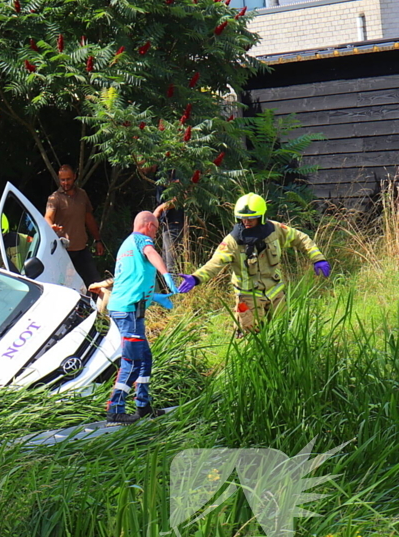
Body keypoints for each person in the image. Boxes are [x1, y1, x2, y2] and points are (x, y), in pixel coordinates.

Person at [176, 193, 330, 333]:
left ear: (261, 217)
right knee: (250, 338)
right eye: (242, 218)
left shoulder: (275, 230)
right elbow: (215, 263)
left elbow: (301, 238)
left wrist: (318, 259)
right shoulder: (233, 241)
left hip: (276, 293)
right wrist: (196, 278)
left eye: (251, 218)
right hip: (248, 298)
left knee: (283, 333)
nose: (246, 222)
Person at [105, 210, 178, 424]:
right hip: (128, 311)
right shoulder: (140, 239)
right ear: (148, 226)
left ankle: (143, 405)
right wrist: (166, 274)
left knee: (145, 357)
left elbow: (131, 280)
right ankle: (115, 409)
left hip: (127, 307)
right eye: (155, 228)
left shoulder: (126, 246)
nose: (155, 235)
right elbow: (151, 253)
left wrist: (154, 297)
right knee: (133, 360)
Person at [44, 165, 104, 287]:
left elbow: (89, 219)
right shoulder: (55, 198)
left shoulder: (82, 194)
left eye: (68, 179)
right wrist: (51, 226)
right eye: (62, 180)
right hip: (64, 251)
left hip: (81, 248)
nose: (65, 183)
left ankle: (99, 305)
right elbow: (48, 216)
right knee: (66, 284)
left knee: (95, 283)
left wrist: (98, 240)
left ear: (74, 177)